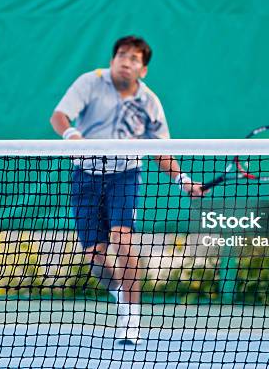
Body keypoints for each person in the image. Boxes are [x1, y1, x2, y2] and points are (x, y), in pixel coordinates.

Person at [50, 36, 204, 345]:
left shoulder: (150, 103)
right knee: (95, 257)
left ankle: (131, 319)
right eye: (121, 55)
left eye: (134, 58)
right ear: (112, 60)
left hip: (125, 175)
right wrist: (72, 135)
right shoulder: (89, 82)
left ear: (143, 69)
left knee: (122, 240)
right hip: (86, 175)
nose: (125, 61)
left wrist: (183, 180)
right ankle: (122, 292)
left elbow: (161, 150)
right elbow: (59, 116)